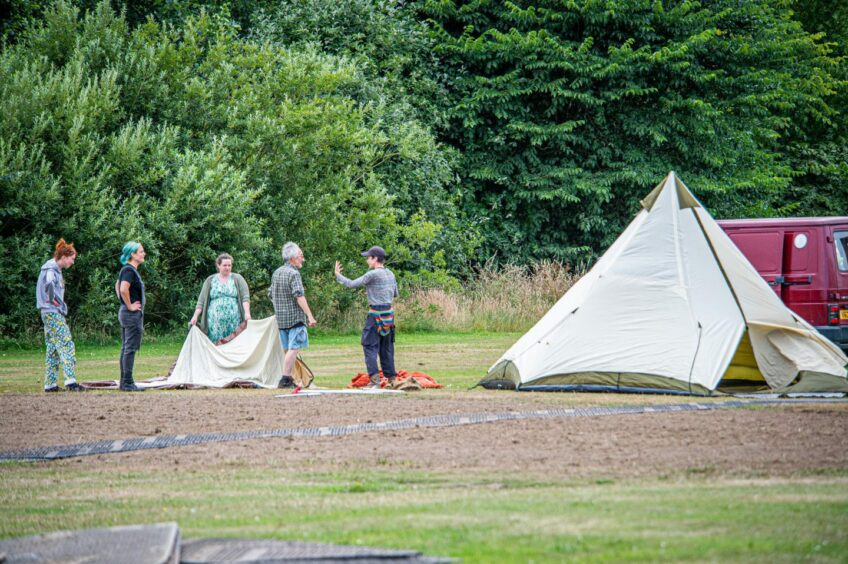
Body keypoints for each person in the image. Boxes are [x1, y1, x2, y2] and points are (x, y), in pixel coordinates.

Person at [334, 246, 398, 388]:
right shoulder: (391, 274)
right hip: (389, 315)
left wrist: (338, 275)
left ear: (375, 259)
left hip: (375, 314)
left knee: (369, 346)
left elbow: (351, 284)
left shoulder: (372, 274)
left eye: (369, 257)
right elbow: (395, 294)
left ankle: (374, 381)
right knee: (386, 348)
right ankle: (392, 378)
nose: (367, 260)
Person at [35, 239, 83, 392]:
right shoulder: (51, 269)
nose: (72, 262)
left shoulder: (54, 269)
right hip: (52, 313)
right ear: (64, 256)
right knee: (66, 343)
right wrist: (52, 301)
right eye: (72, 259)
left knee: (52, 348)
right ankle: (71, 381)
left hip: (47, 313)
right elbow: (49, 285)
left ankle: (50, 384)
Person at [269, 242, 317, 388]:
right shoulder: (294, 274)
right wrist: (310, 316)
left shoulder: (276, 272)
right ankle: (285, 379)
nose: (303, 259)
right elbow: (299, 296)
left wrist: (279, 306)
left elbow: (270, 294)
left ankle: (290, 377)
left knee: (288, 350)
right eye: (301, 256)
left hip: (281, 319)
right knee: (294, 348)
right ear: (293, 258)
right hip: (295, 317)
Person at [189, 253, 251, 343]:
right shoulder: (210, 280)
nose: (227, 268)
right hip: (214, 321)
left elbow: (245, 297)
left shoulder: (237, 278)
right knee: (216, 344)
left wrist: (247, 313)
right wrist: (195, 316)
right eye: (224, 265)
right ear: (218, 265)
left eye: (229, 265)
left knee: (234, 343)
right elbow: (201, 301)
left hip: (234, 320)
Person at [116, 241, 146, 392]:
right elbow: (122, 289)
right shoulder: (129, 270)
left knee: (126, 348)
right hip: (130, 314)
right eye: (141, 251)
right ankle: (127, 382)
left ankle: (125, 382)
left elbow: (117, 285)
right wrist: (129, 305)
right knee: (129, 348)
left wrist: (123, 304)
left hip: (126, 313)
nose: (143, 254)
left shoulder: (127, 270)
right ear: (133, 254)